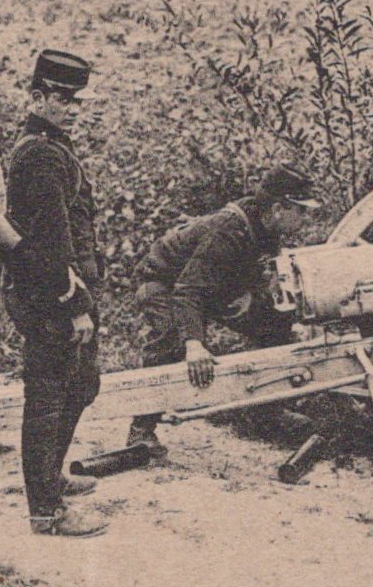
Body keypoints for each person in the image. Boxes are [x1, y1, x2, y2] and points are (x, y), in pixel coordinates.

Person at [124, 164, 320, 459]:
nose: (306, 219)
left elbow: (256, 267)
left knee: (274, 323)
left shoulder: (265, 227)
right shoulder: (226, 231)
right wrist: (194, 344)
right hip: (163, 283)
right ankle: (141, 429)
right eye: (302, 211)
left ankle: (266, 413)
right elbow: (188, 290)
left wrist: (250, 295)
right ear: (279, 209)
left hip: (210, 287)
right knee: (171, 338)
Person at [1, 50, 106, 537]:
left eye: (76, 101)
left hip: (67, 287)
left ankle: (53, 476)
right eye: (62, 100)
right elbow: (51, 240)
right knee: (47, 398)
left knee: (81, 383)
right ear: (37, 98)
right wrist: (74, 304)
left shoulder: (52, 146)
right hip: (50, 293)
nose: (72, 110)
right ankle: (46, 511)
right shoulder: (41, 154)